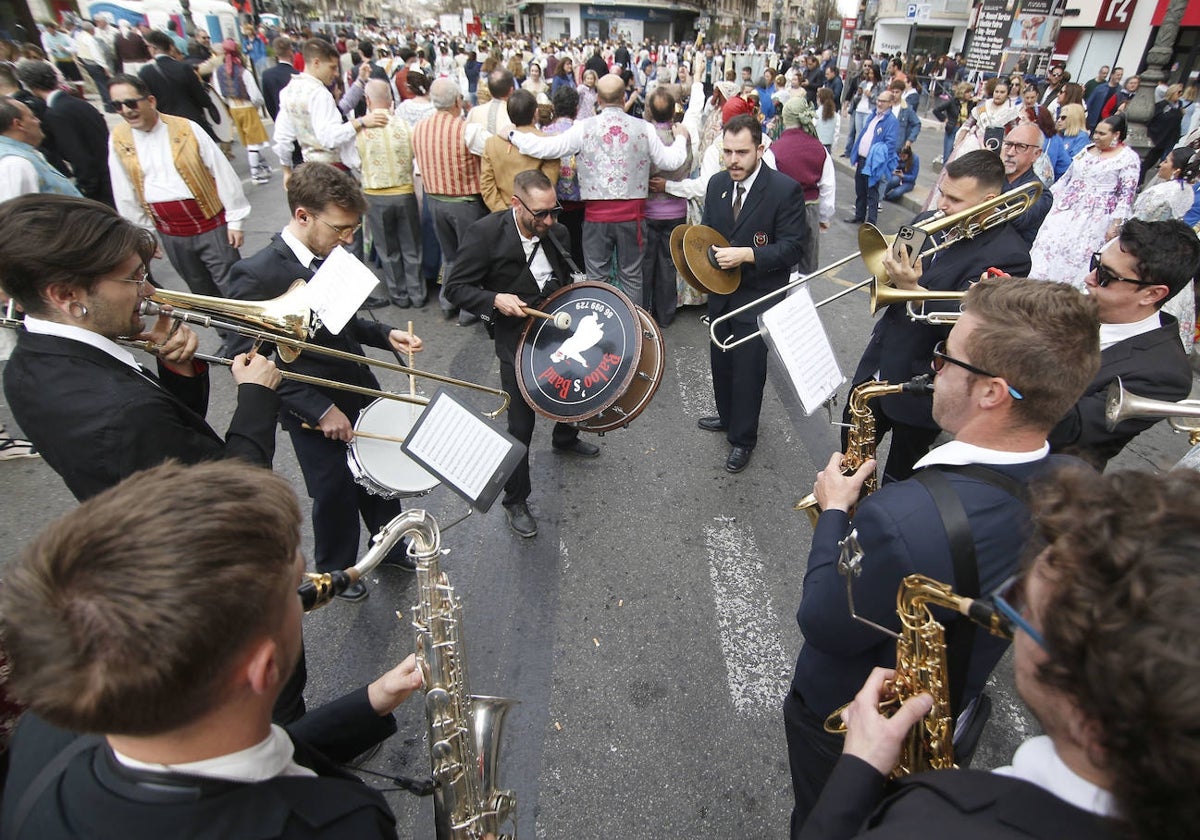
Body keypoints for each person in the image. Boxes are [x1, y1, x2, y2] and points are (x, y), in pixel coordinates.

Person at [786, 275, 1101, 833]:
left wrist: (835, 510)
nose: (932, 368)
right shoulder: (1076, 479)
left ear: (991, 392)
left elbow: (822, 622)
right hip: (956, 691)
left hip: (852, 715)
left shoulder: (904, 518)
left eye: (945, 357)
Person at [0, 459, 425, 840]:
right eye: (297, 586)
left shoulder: (54, 724)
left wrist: (369, 703)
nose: (315, 589)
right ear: (264, 667)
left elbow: (218, 754)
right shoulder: (343, 825)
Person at [798, 466, 1200, 840]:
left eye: (1022, 610)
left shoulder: (927, 822)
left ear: (1094, 728)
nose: (1005, 612)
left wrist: (858, 771)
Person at [224, 163, 423, 603]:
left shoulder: (334, 253)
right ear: (302, 216)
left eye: (353, 228)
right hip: (309, 405)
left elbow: (346, 322)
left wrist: (384, 333)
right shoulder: (255, 274)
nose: (348, 239)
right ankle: (336, 569)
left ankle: (386, 547)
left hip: (357, 387)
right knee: (332, 490)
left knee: (378, 478)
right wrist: (316, 409)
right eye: (340, 229)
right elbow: (243, 358)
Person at [851, 151, 1033, 482]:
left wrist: (912, 289)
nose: (942, 205)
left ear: (989, 201)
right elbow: (887, 273)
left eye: (954, 199)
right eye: (942, 193)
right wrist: (893, 277)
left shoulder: (1011, 256)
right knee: (852, 458)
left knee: (901, 477)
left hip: (924, 381)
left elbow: (975, 327)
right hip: (879, 361)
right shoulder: (926, 221)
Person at [443, 169, 599, 538]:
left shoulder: (557, 231)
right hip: (518, 339)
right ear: (516, 204)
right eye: (540, 214)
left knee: (573, 388)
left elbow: (566, 279)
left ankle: (565, 437)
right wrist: (493, 299)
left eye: (554, 211)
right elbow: (455, 288)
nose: (548, 220)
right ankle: (515, 500)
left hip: (557, 330)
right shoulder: (484, 234)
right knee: (520, 425)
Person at [508, 73, 689, 308]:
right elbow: (672, 161)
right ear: (623, 96)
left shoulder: (583, 127)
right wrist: (681, 138)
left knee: (597, 278)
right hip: (632, 216)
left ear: (598, 100)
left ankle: (601, 323)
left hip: (596, 217)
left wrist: (513, 135)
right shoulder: (643, 128)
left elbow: (547, 147)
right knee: (632, 277)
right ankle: (638, 330)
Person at [697, 113, 806, 474]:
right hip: (721, 295)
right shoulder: (716, 185)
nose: (732, 160)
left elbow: (793, 249)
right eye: (727, 151)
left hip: (758, 296)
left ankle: (743, 439)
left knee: (747, 371)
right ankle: (727, 417)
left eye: (741, 152)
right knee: (721, 362)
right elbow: (707, 234)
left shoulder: (783, 190)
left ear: (761, 148)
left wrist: (748, 255)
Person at [1048, 219, 1197, 470]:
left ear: (1151, 294)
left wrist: (1009, 346)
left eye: (1106, 276)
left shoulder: (1166, 374)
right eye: (1096, 264)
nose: (1089, 278)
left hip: (1042, 479)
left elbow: (1069, 430)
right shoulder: (1081, 305)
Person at [107, 74, 250, 299]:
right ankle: (225, 334)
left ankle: (252, 333)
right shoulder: (118, 138)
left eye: (131, 103)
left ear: (150, 101)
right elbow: (124, 191)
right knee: (200, 290)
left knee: (232, 284)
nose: (126, 110)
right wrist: (145, 236)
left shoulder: (186, 128)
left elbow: (221, 170)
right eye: (117, 106)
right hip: (171, 232)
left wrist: (235, 220)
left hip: (210, 224)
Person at [1029, 115, 1141, 291]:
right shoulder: (1086, 150)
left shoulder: (1128, 158)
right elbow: (1067, 179)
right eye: (1095, 132)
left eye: (1102, 134)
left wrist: (1116, 223)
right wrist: (1047, 200)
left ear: (1116, 135)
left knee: (1077, 256)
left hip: (1095, 217)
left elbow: (1126, 195)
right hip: (1065, 208)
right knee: (1047, 247)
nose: (1096, 137)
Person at [411, 77, 490, 321]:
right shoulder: (467, 129)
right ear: (458, 101)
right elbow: (492, 149)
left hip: (434, 200)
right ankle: (468, 308)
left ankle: (448, 301)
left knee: (450, 255)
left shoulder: (418, 128)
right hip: (464, 201)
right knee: (471, 257)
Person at [274, 38, 388, 178]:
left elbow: (282, 138)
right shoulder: (320, 94)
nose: (336, 73)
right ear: (316, 63)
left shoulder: (288, 91)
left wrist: (286, 170)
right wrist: (361, 121)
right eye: (332, 67)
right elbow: (330, 137)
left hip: (309, 171)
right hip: (333, 172)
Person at [357, 79, 423, 309]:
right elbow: (417, 161)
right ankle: (417, 293)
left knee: (388, 248)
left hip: (375, 195)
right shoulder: (405, 126)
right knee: (411, 245)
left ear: (368, 100)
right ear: (390, 99)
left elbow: (353, 160)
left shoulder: (361, 130)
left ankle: (399, 294)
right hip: (404, 192)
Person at [16, 60, 112, 206]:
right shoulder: (77, 103)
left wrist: (86, 190)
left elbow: (78, 155)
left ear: (30, 86)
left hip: (100, 186)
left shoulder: (57, 113)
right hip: (108, 174)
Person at [765, 96, 835, 274]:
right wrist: (824, 218)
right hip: (809, 212)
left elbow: (767, 189)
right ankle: (802, 298)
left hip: (783, 214)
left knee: (783, 267)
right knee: (804, 269)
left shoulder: (774, 151)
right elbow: (827, 187)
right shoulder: (820, 149)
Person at [481, 89, 559, 213]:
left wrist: (504, 213)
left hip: (505, 212)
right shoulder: (548, 143)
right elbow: (549, 182)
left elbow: (487, 186)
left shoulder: (492, 143)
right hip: (539, 214)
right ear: (536, 113)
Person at [138, 29, 218, 142]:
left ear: (152, 48)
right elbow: (203, 100)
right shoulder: (183, 68)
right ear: (171, 47)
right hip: (192, 122)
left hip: (166, 126)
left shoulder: (145, 73)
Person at [211, 40, 272, 185]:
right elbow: (256, 96)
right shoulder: (243, 72)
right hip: (247, 107)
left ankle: (262, 165)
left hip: (233, 108)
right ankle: (255, 173)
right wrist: (256, 105)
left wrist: (230, 103)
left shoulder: (218, 72)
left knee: (250, 141)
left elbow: (219, 93)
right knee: (254, 142)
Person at [0, 96, 80, 201]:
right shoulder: (15, 164)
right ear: (19, 124)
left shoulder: (20, 156)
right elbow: (17, 214)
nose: (38, 121)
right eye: (32, 117)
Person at [845, 88, 897, 226]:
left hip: (873, 162)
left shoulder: (891, 121)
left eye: (883, 101)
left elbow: (890, 145)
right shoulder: (873, 115)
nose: (879, 103)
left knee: (872, 192)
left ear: (891, 103)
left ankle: (871, 222)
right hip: (862, 159)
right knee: (860, 189)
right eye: (878, 100)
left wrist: (880, 161)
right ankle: (859, 216)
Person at [1001, 122, 1054, 245]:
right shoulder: (992, 177)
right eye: (1008, 145)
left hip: (1005, 256)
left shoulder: (1041, 193)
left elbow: (1020, 219)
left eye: (1021, 146)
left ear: (1036, 154)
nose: (1010, 152)